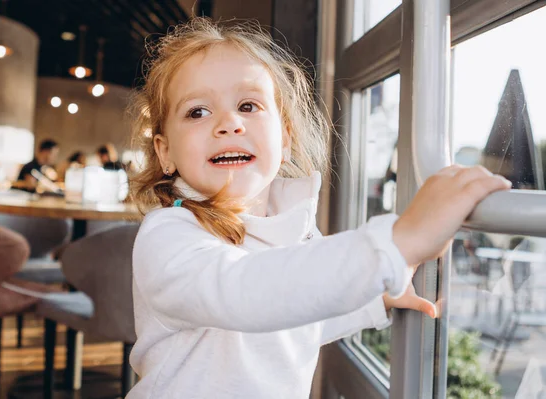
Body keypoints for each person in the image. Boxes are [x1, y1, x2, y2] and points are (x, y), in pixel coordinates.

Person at [127, 18, 511, 399]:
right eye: (197, 112)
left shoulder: (293, 230)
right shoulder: (169, 234)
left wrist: (370, 301)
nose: (229, 123)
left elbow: (293, 319)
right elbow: (248, 292)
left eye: (248, 105)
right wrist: (397, 242)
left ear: (286, 139)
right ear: (165, 152)